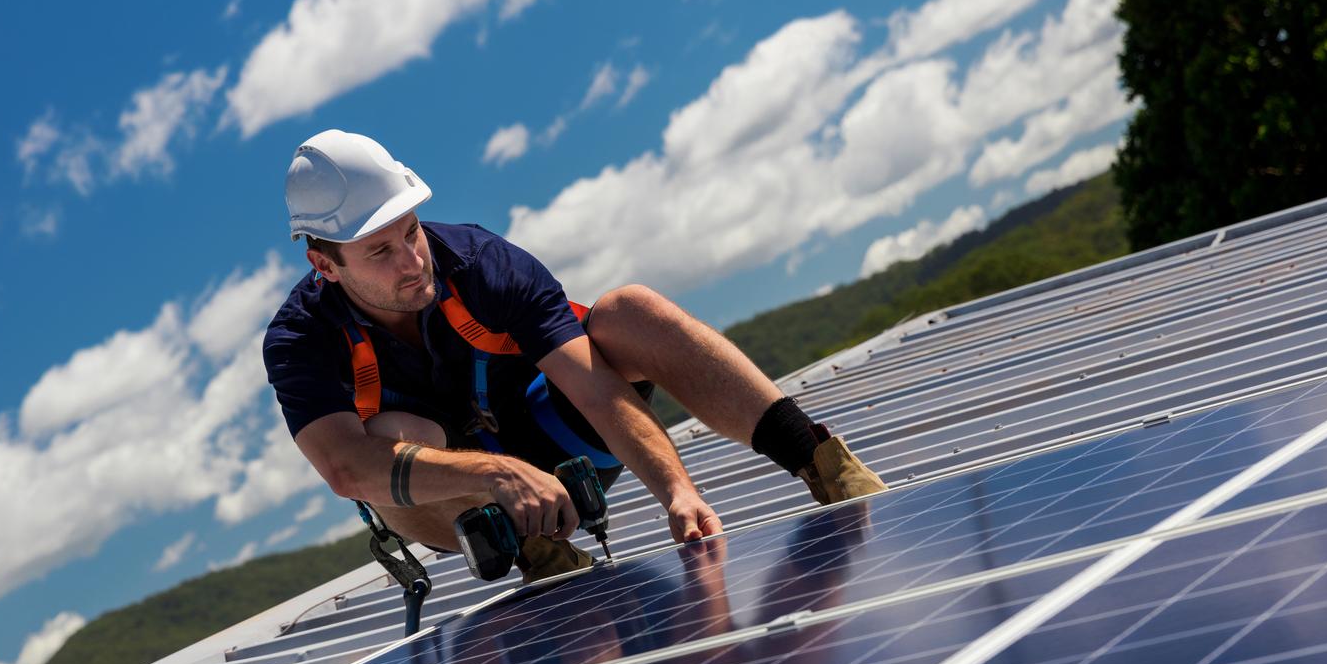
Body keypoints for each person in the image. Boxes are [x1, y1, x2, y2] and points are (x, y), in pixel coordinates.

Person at [262, 129, 885, 583]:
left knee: (629, 309)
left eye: (412, 232)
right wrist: (494, 476)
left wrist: (677, 491)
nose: (413, 261)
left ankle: (822, 461)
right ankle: (545, 556)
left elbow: (592, 387)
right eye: (380, 253)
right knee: (393, 436)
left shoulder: (482, 265)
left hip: (566, 441)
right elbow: (347, 471)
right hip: (470, 502)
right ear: (324, 265)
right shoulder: (299, 342)